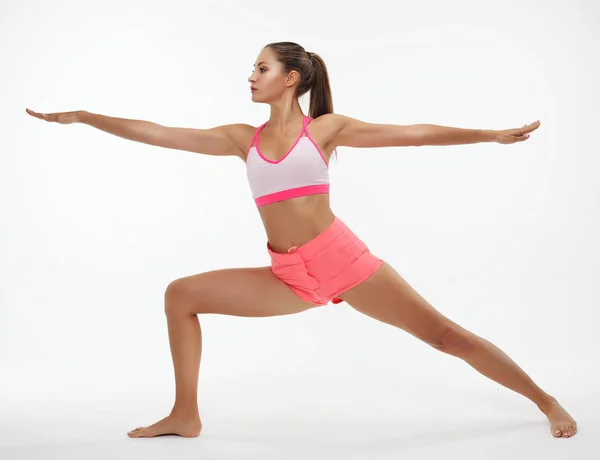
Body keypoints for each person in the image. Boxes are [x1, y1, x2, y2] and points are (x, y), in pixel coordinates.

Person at [26, 41, 577, 440]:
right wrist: (84, 117)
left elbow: (413, 134)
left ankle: (545, 400)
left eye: (261, 68)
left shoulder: (326, 130)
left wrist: (487, 134)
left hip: (343, 262)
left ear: (291, 78)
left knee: (445, 337)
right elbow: (162, 134)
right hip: (289, 275)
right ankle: (185, 415)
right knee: (181, 294)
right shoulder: (242, 139)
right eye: (252, 69)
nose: (251, 76)